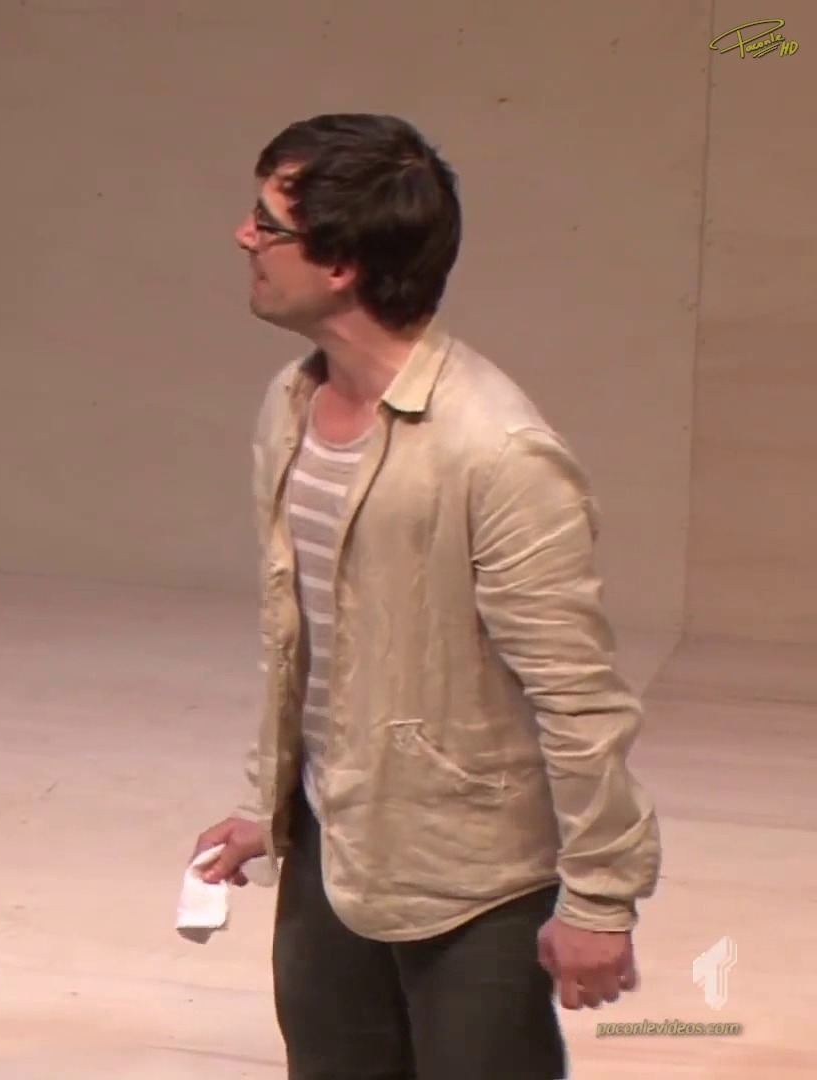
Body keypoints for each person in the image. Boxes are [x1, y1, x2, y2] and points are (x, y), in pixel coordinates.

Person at [189, 113, 662, 1079]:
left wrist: (600, 897)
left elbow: (578, 696)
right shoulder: (291, 406)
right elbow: (303, 648)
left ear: (341, 263)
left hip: (471, 881)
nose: (243, 238)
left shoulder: (496, 451)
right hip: (331, 845)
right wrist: (265, 806)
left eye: (266, 223)